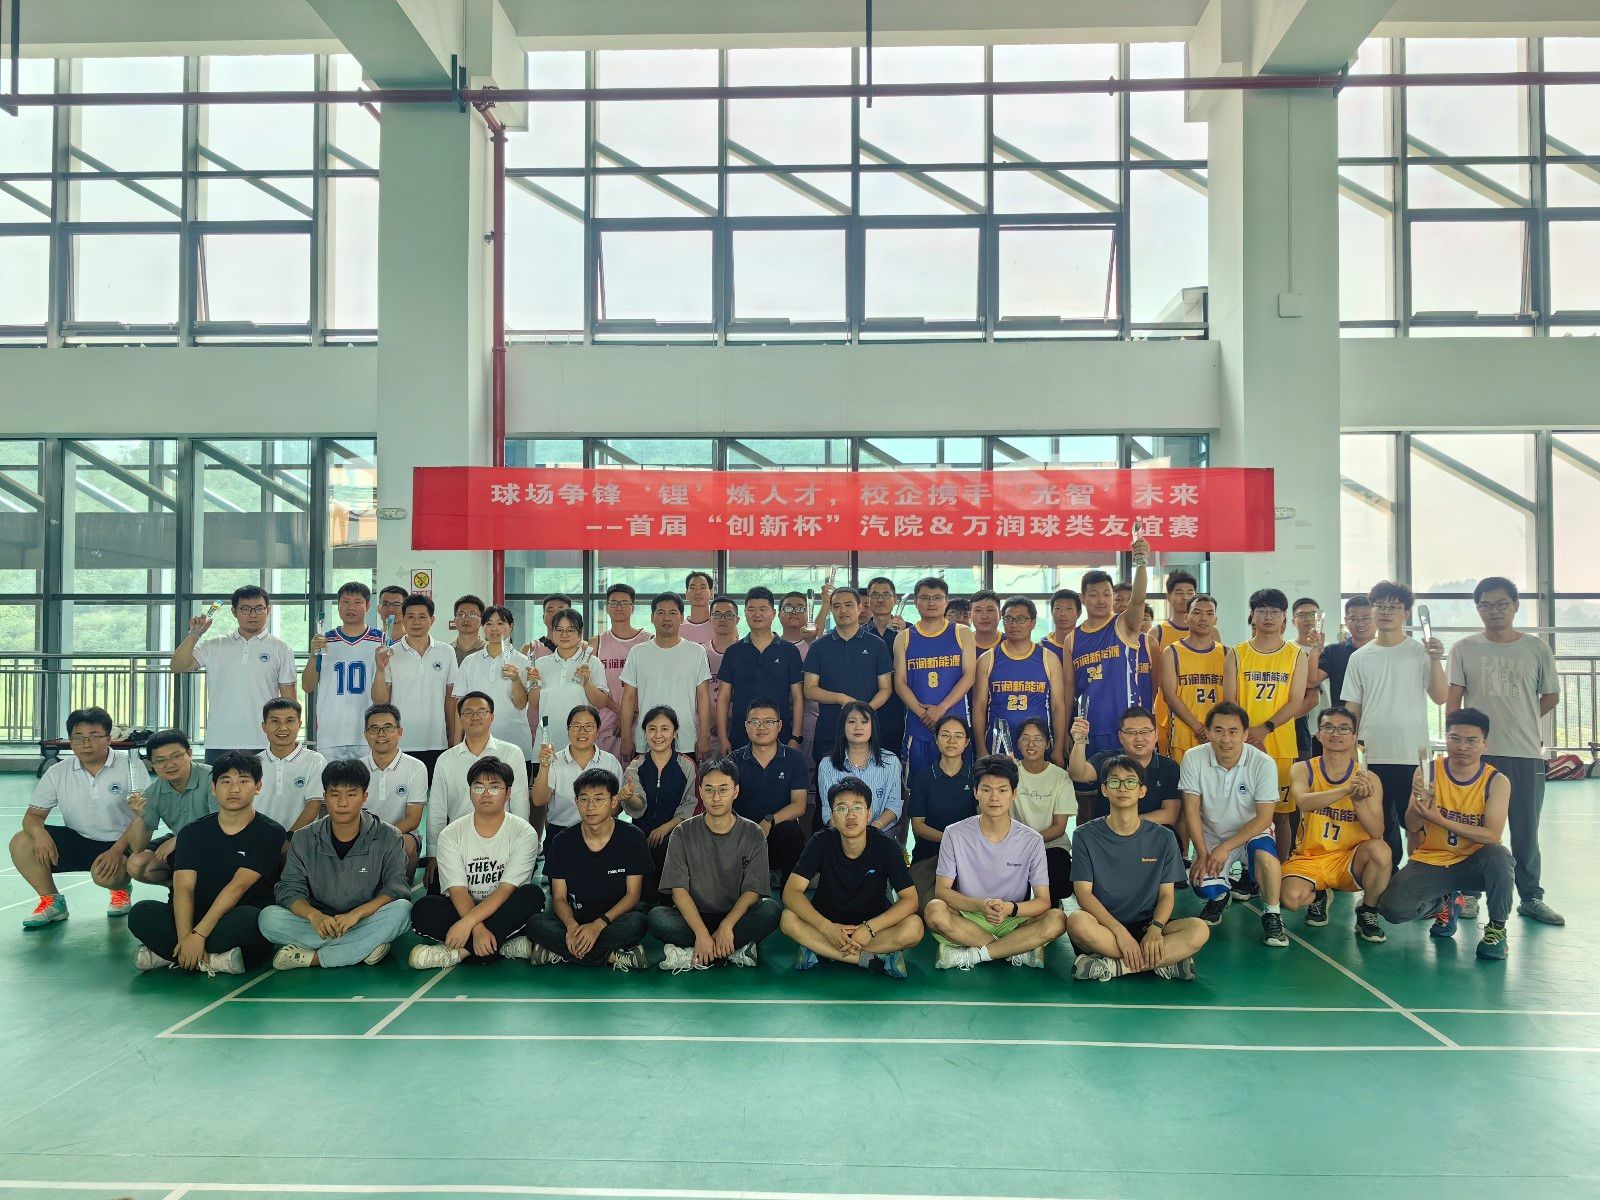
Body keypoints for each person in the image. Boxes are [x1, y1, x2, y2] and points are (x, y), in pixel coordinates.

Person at [1447, 576, 1562, 926]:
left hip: (1525, 753)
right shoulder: (1464, 648)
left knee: (1526, 829)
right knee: (1474, 826)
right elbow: (1454, 701)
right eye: (1485, 605)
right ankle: (1469, 895)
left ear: (1515, 606)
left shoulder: (1536, 648)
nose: (1493, 611)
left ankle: (1531, 897)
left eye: (1500, 604)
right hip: (1478, 757)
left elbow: (1551, 696)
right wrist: (1462, 742)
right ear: (1477, 609)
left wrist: (1522, 720)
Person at [128, 752, 287, 975]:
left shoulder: (270, 832)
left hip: (234, 916)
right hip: (194, 917)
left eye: (243, 781)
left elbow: (238, 886)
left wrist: (199, 935)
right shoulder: (192, 832)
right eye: (226, 782)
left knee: (253, 921)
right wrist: (186, 937)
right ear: (213, 788)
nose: (234, 789)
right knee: (141, 913)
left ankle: (170, 955)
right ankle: (213, 959)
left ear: (258, 787)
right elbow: (183, 887)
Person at [1377, 708, 1516, 960]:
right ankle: (1445, 904)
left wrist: (1439, 819)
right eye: (1455, 738)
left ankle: (1496, 929)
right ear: (1446, 738)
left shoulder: (1496, 781)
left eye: (1471, 740)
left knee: (1500, 856)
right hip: (1432, 859)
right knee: (1392, 910)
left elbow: (1491, 835)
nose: (1462, 746)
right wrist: (1421, 804)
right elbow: (1411, 824)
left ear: (1484, 744)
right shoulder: (1428, 772)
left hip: (1474, 863)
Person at [1066, 755, 1210, 981]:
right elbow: (1083, 894)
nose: (1122, 787)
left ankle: (1116, 967)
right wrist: (1120, 933)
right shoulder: (1084, 835)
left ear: (1142, 791)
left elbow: (1166, 895)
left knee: (1199, 929)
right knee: (1076, 922)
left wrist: (1155, 928)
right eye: (1114, 781)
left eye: (1131, 782)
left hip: (1147, 925)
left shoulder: (1164, 837)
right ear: (1104, 789)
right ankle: (1162, 962)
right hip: (1105, 925)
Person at [259, 759, 413, 970]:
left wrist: (356, 915)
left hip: (366, 917)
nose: (342, 803)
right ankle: (363, 946)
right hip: (319, 922)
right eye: (335, 795)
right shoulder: (304, 838)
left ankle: (314, 958)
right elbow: (289, 889)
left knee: (402, 911)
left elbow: (396, 888)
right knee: (268, 918)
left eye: (351, 795)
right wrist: (314, 915)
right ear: (325, 797)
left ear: (364, 797)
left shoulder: (388, 836)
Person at [923, 754, 1068, 969]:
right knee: (934, 910)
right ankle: (1014, 949)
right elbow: (942, 892)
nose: (994, 797)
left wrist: (1010, 908)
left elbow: (1043, 901)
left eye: (1002, 790)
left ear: (1013, 794)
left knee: (1058, 919)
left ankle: (974, 955)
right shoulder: (954, 833)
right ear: (975, 792)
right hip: (969, 916)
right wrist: (981, 905)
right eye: (986, 790)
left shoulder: (1032, 840)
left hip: (1012, 918)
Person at [1341, 580, 1447, 869]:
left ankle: (1421, 879)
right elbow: (1352, 709)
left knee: (1417, 824)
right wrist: (1350, 750)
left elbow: (1440, 696)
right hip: (1371, 754)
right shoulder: (1359, 657)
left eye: (1394, 607)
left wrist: (1436, 660)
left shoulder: (1421, 652)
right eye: (1380, 606)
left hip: (1414, 753)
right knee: (1379, 827)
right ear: (1373, 610)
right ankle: (1385, 881)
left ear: (1406, 613)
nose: (1386, 612)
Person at [13, 706, 148, 926]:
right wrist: (39, 834)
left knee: (106, 876)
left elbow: (143, 816)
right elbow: (33, 816)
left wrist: (116, 851)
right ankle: (52, 901)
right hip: (79, 839)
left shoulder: (130, 766)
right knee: (21, 842)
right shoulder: (57, 772)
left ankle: (120, 889)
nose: (86, 744)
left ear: (109, 739)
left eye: (94, 736)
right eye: (78, 737)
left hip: (121, 843)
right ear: (70, 740)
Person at [407, 756, 544, 969]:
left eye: (495, 787)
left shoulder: (524, 833)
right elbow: (457, 890)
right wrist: (478, 928)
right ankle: (503, 945)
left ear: (508, 793)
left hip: (502, 907)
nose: (486, 794)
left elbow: (506, 889)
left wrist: (468, 924)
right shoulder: (451, 834)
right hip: (462, 908)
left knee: (532, 896)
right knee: (423, 909)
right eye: (478, 787)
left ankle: (459, 953)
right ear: (470, 792)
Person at [781, 776, 924, 977]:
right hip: (828, 923)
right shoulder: (821, 842)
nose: (850, 815)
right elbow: (791, 892)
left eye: (857, 807)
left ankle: (822, 952)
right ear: (832, 815)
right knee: (787, 919)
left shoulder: (886, 846)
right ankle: (870, 960)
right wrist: (827, 928)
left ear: (868, 814)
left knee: (915, 927)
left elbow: (910, 899)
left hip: (872, 926)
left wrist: (870, 928)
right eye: (841, 808)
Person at [648, 756, 781, 971]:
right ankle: (730, 951)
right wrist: (701, 932)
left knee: (771, 910)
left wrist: (727, 925)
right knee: (657, 918)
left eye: (723, 789)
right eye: (709, 790)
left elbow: (753, 891)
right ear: (700, 792)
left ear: (735, 791)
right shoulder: (682, 832)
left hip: (735, 917)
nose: (716, 797)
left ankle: (695, 953)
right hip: (694, 917)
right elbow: (679, 891)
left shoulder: (753, 833)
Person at [1180, 702, 1286, 947]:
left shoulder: (1263, 763)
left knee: (1267, 861)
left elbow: (1264, 818)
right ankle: (1220, 896)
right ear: (1207, 732)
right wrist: (1203, 853)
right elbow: (1191, 811)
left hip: (1251, 833)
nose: (1225, 739)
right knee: (1202, 886)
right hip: (1213, 836)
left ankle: (1272, 914)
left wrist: (1225, 848)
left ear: (1245, 734)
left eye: (1233, 731)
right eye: (1218, 730)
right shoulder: (1193, 757)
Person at [1281, 706, 1391, 941]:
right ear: (1318, 735)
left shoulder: (1369, 779)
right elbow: (1303, 802)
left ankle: (1368, 911)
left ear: (1353, 737)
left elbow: (1377, 831)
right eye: (1328, 727)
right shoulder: (1303, 769)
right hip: (1310, 857)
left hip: (1350, 858)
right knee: (1290, 900)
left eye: (1343, 729)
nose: (1335, 733)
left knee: (1381, 850)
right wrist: (1346, 790)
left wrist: (1359, 803)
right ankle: (1320, 894)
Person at [527, 767, 652, 968]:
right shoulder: (562, 841)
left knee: (638, 922)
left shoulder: (633, 837)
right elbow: (559, 897)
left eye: (599, 799)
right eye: (584, 799)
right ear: (576, 802)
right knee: (535, 923)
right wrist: (571, 926)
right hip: (576, 917)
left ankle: (560, 952)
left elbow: (633, 895)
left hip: (614, 918)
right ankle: (611, 956)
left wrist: (599, 925)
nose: (590, 806)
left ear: (613, 802)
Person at [1225, 587, 1310, 859]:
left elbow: (1296, 701)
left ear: (1284, 617)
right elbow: (1230, 700)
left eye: (1275, 611)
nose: (1268, 617)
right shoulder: (1236, 653)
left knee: (1281, 814)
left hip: (1281, 745)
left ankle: (1281, 868)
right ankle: (1244, 869)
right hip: (1242, 744)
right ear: (1252, 615)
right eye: (1262, 611)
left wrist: (1265, 729)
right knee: (1242, 810)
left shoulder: (1296, 654)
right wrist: (1248, 734)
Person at [169, 585, 296, 760]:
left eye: (259, 608)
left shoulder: (281, 649)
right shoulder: (214, 645)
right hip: (219, 740)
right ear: (234, 612)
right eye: (246, 609)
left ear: (268, 610)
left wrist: (288, 737)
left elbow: (289, 699)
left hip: (265, 741)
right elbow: (177, 666)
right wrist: (195, 634)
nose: (253, 614)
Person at [426, 693, 530, 878]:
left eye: (481, 711)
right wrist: (433, 854)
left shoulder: (512, 753)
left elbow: (520, 803)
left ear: (492, 717)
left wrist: (519, 846)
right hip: (458, 845)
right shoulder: (446, 760)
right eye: (468, 712)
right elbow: (437, 810)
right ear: (460, 719)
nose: (475, 717)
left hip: (503, 843)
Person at [1071, 540, 1152, 755]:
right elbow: (1068, 693)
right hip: (1089, 731)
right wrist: (1066, 738)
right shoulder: (1072, 638)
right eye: (1094, 594)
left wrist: (1141, 563)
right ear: (1083, 598)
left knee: (1128, 777)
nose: (1101, 600)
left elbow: (1138, 600)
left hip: (1127, 729)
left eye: (1107, 594)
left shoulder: (1123, 624)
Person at [894, 575, 976, 783]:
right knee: (916, 788)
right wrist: (924, 715)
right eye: (925, 597)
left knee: (959, 788)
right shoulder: (904, 637)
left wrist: (941, 709)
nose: (931, 603)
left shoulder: (962, 633)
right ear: (916, 601)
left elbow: (969, 676)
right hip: (917, 727)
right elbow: (900, 683)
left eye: (937, 597)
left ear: (946, 601)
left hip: (955, 726)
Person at [372, 592, 458, 780]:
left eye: (422, 617)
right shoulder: (390, 653)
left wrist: (452, 736)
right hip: (401, 742)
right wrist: (379, 669)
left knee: (435, 795)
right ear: (403, 619)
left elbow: (451, 699)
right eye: (410, 617)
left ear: (432, 620)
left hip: (437, 741)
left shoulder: (447, 652)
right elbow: (380, 702)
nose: (416, 622)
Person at [804, 587, 892, 766]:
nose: (842, 610)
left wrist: (864, 711)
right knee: (828, 780)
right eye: (837, 606)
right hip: (829, 731)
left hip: (867, 730)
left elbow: (886, 688)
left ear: (860, 608)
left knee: (868, 780)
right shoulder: (818, 646)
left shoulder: (877, 645)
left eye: (848, 605)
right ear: (831, 610)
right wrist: (840, 698)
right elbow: (810, 689)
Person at [619, 593, 712, 762]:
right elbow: (628, 698)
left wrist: (704, 737)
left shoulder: (696, 652)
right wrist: (626, 738)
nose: (666, 618)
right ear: (652, 617)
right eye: (660, 612)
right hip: (646, 740)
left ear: (681, 618)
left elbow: (703, 697)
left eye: (672, 613)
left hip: (686, 740)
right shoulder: (638, 652)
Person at [971, 597, 1066, 761]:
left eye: (1021, 619)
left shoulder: (1049, 659)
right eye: (1009, 619)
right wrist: (981, 748)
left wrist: (1058, 748)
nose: (1014, 624)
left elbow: (1057, 707)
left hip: (1038, 745)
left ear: (1033, 623)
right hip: (997, 745)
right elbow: (979, 707)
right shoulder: (988, 659)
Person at [620, 705, 698, 898]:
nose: (658, 735)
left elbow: (691, 806)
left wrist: (665, 828)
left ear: (675, 733)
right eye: (652, 729)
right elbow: (639, 806)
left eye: (665, 729)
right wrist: (630, 797)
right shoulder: (636, 766)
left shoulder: (687, 766)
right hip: (641, 837)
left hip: (676, 836)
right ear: (645, 732)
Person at [1068, 705, 1182, 837]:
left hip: (1150, 835)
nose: (1139, 738)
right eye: (1131, 732)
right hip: (1107, 834)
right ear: (1120, 737)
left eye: (1145, 732)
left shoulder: (1169, 767)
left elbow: (1169, 815)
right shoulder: (1108, 760)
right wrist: (1079, 740)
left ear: (1156, 735)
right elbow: (1078, 774)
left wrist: (1127, 825)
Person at [302, 581, 385, 762]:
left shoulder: (381, 641)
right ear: (338, 606)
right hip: (331, 733)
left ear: (368, 606)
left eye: (357, 602)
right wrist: (313, 655)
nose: (351, 607)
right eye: (345, 602)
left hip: (370, 733)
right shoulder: (324, 641)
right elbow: (307, 686)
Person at [717, 586, 805, 754]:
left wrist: (796, 737)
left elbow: (798, 697)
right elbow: (723, 697)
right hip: (740, 737)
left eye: (763, 609)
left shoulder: (789, 651)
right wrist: (723, 738)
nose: (757, 614)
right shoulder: (733, 651)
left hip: (782, 737)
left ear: (773, 613)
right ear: (745, 613)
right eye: (751, 609)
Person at [729, 698, 810, 879]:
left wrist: (769, 821)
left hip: (778, 829)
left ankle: (788, 891)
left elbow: (799, 806)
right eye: (755, 722)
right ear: (746, 726)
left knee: (790, 832)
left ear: (779, 725)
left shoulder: (795, 759)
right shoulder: (733, 760)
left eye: (768, 721)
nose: (761, 727)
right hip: (743, 832)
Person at [123, 730, 214, 886]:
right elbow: (137, 848)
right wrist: (139, 816)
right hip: (182, 844)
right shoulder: (153, 793)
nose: (169, 764)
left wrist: (179, 839)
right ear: (152, 764)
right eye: (160, 760)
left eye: (176, 756)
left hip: (214, 843)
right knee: (137, 864)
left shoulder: (213, 779)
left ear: (189, 754)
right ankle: (176, 887)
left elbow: (222, 824)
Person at [905, 716, 977, 904]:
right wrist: (950, 839)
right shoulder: (923, 779)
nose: (952, 740)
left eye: (958, 736)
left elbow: (984, 820)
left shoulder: (977, 778)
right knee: (924, 906)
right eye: (945, 735)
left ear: (966, 742)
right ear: (936, 740)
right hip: (929, 857)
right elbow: (918, 826)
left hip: (968, 857)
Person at [454, 605, 535, 771]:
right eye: (489, 624)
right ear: (483, 628)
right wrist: (456, 743)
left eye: (500, 623)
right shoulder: (470, 662)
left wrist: (516, 679)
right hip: (477, 745)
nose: (494, 629)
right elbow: (460, 706)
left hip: (515, 741)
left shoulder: (523, 661)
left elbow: (521, 704)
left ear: (510, 626)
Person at [532, 704, 624, 843]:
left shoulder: (610, 762)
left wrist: (594, 824)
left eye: (589, 726)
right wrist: (544, 766)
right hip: (561, 833)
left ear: (598, 731)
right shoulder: (554, 761)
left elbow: (617, 805)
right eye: (576, 726)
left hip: (601, 833)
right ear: (568, 730)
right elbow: (539, 800)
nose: (582, 731)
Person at [1156, 593, 1229, 763]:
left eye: (1209, 613)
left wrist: (1214, 729)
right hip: (1182, 734)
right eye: (1197, 613)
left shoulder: (1227, 653)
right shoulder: (1172, 652)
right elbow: (1169, 695)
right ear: (1186, 617)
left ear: (1215, 620)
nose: (1203, 618)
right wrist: (1198, 728)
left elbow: (1231, 696)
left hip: (1219, 734)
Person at [531, 606, 610, 755]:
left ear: (580, 633)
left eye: (570, 630)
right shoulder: (541, 663)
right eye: (559, 630)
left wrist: (586, 683)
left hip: (581, 745)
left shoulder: (592, 663)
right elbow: (534, 705)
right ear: (553, 632)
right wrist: (534, 683)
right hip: (547, 746)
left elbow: (601, 703)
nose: (564, 635)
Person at [1011, 717, 1074, 904]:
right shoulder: (1010, 773)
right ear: (1018, 744)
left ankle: (1053, 907)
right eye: (1025, 739)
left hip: (1052, 845)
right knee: (1012, 892)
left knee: (1057, 879)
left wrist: (1028, 843)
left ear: (1047, 744)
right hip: (1014, 845)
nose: (1031, 744)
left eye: (1038, 739)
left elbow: (1059, 828)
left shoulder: (1060, 777)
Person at [359, 702, 427, 871]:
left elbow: (413, 819)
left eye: (388, 727)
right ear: (365, 734)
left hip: (401, 833)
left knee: (406, 845)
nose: (381, 734)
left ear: (400, 732)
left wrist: (380, 837)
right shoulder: (356, 768)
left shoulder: (416, 767)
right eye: (374, 728)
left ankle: (402, 887)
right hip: (363, 835)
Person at [816, 702, 902, 835]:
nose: (858, 727)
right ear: (843, 727)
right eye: (851, 722)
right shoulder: (827, 764)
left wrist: (872, 830)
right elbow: (828, 810)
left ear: (873, 726)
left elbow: (894, 805)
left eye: (864, 722)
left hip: (880, 834)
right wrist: (848, 835)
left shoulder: (891, 761)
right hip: (841, 835)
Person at [594, 583, 651, 758]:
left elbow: (652, 685)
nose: (619, 607)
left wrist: (628, 716)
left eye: (624, 603)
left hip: (642, 721)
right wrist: (621, 712)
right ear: (606, 607)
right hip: (606, 724)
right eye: (614, 603)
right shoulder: (596, 643)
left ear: (633, 608)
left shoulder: (649, 641)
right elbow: (593, 687)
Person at [255, 697, 326, 833]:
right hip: (258, 841)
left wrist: (290, 839)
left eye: (289, 721)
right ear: (264, 726)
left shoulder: (315, 760)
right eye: (275, 721)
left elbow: (314, 806)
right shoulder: (253, 763)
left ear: (299, 724)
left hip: (300, 841)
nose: (283, 728)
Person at [1145, 571, 1197, 753]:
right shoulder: (1157, 633)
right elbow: (1152, 678)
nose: (1185, 597)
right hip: (1166, 710)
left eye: (1190, 593)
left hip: (1199, 707)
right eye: (1179, 592)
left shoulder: (1211, 632)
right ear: (1168, 596)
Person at [862, 576, 910, 759]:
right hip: (867, 706)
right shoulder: (858, 633)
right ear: (868, 600)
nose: (880, 600)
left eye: (886, 595)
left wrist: (904, 634)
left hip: (900, 707)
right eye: (875, 595)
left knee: (896, 762)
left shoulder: (910, 632)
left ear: (895, 599)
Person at [778, 589, 822, 762]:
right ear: (778, 614)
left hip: (812, 726)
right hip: (778, 726)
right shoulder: (771, 646)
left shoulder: (818, 646)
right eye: (788, 608)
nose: (794, 612)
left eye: (800, 608)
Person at [1290, 597, 1330, 758]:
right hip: (1296, 723)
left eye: (1312, 614)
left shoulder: (1329, 651)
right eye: (1301, 615)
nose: (1307, 619)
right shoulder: (1287, 649)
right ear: (1293, 621)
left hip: (1325, 724)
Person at [703, 595, 743, 757]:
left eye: (728, 615)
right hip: (707, 728)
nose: (723, 619)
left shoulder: (746, 651)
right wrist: (714, 717)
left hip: (740, 727)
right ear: (710, 619)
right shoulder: (700, 652)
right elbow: (693, 691)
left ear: (737, 620)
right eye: (717, 614)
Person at [1320, 595, 1376, 708]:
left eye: (1366, 618)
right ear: (1345, 621)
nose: (1360, 623)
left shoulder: (1387, 652)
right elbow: (1312, 681)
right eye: (1353, 619)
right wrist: (1315, 650)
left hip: (1377, 716)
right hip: (1342, 717)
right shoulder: (1333, 651)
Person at [1041, 588, 1081, 663]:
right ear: (1051, 612)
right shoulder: (1042, 646)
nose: (1063, 613)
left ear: (1078, 613)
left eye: (1069, 608)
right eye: (1058, 608)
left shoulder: (1085, 643)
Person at [679, 570, 718, 646]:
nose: (698, 592)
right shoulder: (678, 627)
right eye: (693, 588)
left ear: (711, 593)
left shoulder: (721, 625)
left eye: (703, 587)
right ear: (686, 594)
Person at [447, 594, 487, 665]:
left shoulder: (489, 651)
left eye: (472, 614)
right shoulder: (447, 651)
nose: (466, 619)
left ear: (482, 620)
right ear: (455, 620)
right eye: (461, 614)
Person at [969, 589, 1002, 655]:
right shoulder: (963, 643)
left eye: (990, 610)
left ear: (1000, 614)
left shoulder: (1010, 643)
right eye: (978, 610)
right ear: (970, 615)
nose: (984, 616)